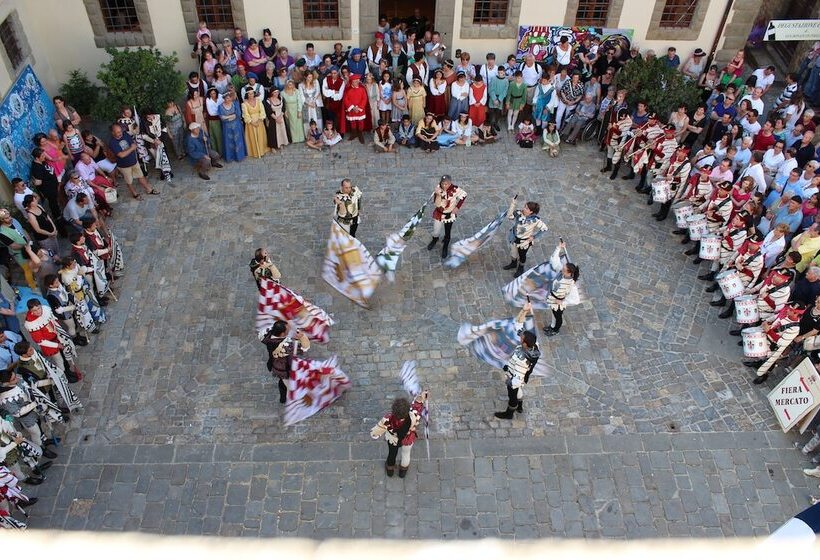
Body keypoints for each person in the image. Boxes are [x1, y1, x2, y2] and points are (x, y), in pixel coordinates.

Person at [494, 302, 539, 419]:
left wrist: (510, 383)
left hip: (515, 377)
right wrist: (524, 310)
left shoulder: (521, 360)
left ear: (525, 344)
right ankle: (520, 406)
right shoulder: (534, 345)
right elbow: (518, 324)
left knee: (512, 396)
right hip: (518, 374)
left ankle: (509, 413)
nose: (520, 337)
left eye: (522, 338)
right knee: (518, 390)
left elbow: (518, 379)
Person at [370, 390, 428, 478]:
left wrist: (376, 433)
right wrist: (422, 397)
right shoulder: (413, 416)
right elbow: (417, 407)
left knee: (392, 454)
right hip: (407, 438)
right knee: (406, 454)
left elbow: (375, 433)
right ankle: (402, 472)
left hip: (393, 439)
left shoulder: (387, 419)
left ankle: (390, 471)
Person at [743, 303, 805, 384]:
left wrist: (768, 331)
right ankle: (758, 363)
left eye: (790, 310)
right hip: (768, 336)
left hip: (775, 345)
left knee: (770, 360)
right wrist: (767, 321)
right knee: (760, 353)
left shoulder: (795, 329)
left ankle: (764, 375)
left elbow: (781, 342)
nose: (787, 310)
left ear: (796, 313)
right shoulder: (786, 314)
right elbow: (777, 317)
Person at [259, 320, 310, 404]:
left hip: (275, 363)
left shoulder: (267, 334)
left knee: (282, 382)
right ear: (282, 334)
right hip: (285, 368)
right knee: (290, 385)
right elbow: (305, 348)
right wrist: (302, 337)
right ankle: (294, 401)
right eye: (287, 330)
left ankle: (283, 398)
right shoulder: (285, 347)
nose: (289, 330)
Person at [108, 124, 157, 199]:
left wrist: (130, 149)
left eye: (120, 131)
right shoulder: (112, 142)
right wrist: (131, 148)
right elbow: (121, 155)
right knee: (129, 181)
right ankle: (134, 194)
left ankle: (149, 189)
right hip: (124, 166)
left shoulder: (125, 134)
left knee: (141, 176)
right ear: (112, 133)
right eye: (118, 132)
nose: (120, 133)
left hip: (134, 161)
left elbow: (133, 144)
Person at [503, 199, 549, 277]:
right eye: (525, 206)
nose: (524, 208)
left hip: (524, 242)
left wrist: (534, 237)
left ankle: (521, 268)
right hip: (514, 238)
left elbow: (544, 229)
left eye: (526, 208)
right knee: (513, 252)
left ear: (531, 211)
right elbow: (510, 216)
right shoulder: (518, 213)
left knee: (522, 255)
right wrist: (513, 204)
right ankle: (513, 264)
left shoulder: (535, 220)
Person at [427, 175, 466, 259]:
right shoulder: (438, 188)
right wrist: (438, 194)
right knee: (436, 231)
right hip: (439, 213)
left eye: (446, 184)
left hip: (449, 215)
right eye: (443, 184)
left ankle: (445, 246)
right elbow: (437, 204)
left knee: (447, 232)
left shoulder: (455, 189)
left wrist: (457, 207)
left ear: (450, 183)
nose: (444, 186)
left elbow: (464, 195)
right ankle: (435, 240)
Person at [0, 208, 39, 290]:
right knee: (27, 269)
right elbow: (13, 246)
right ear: (1, 220)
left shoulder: (14, 220)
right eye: (7, 218)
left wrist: (29, 240)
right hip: (19, 253)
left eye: (9, 216)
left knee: (35, 264)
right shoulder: (2, 233)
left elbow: (23, 230)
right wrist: (26, 245)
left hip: (28, 246)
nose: (10, 218)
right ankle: (33, 286)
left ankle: (38, 279)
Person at [543, 257, 580, 337]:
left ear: (568, 273)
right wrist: (558, 250)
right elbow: (554, 260)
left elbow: (576, 300)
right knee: (553, 314)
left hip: (558, 303)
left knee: (558, 317)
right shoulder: (561, 274)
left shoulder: (571, 284)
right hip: (552, 299)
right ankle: (552, 326)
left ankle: (556, 330)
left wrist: (562, 302)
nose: (561, 269)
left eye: (564, 269)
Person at [343, 74, 368, 143]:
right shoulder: (348, 90)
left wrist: (359, 108)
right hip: (352, 109)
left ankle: (360, 134)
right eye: (355, 81)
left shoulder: (362, 89)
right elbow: (346, 99)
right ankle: (354, 133)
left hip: (360, 110)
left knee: (361, 122)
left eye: (357, 81)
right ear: (352, 82)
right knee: (352, 122)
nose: (357, 83)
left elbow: (364, 99)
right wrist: (353, 107)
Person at [487, 65, 508, 132]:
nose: (500, 74)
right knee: (491, 112)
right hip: (493, 98)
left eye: (501, 73)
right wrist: (494, 99)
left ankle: (496, 123)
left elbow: (505, 91)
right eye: (499, 73)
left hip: (500, 99)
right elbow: (490, 89)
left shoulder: (506, 81)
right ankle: (490, 126)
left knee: (498, 113)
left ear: (504, 72)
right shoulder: (493, 79)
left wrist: (499, 99)